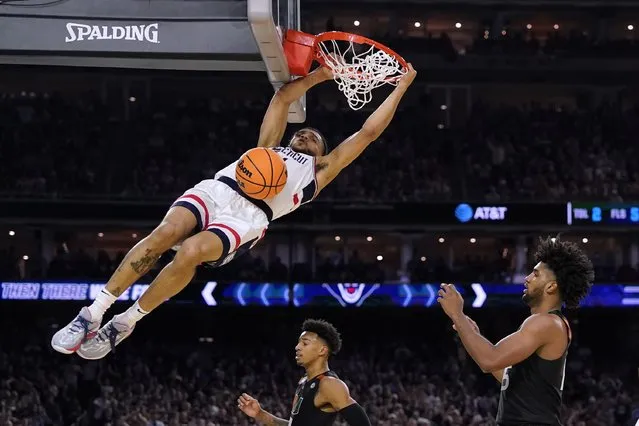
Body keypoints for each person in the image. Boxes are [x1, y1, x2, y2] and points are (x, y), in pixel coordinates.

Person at [50, 63, 417, 359]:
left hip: (248, 217)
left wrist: (401, 85)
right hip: (218, 190)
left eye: (313, 137)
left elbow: (368, 132)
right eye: (301, 133)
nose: (304, 135)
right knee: (163, 236)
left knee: (191, 253)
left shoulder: (319, 172)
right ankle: (92, 313)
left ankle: (127, 321)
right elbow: (283, 97)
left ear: (322, 153)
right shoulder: (268, 147)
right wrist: (321, 74)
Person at [437, 236, 595, 426]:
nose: (527, 278)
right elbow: (506, 376)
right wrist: (473, 335)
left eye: (535, 274)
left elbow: (489, 360)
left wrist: (457, 315)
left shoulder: (546, 323)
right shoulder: (547, 323)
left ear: (551, 286)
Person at [237, 319, 371, 426]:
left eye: (305, 343)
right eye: (298, 343)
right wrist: (260, 414)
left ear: (322, 350)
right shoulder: (304, 381)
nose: (297, 347)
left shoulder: (329, 384)